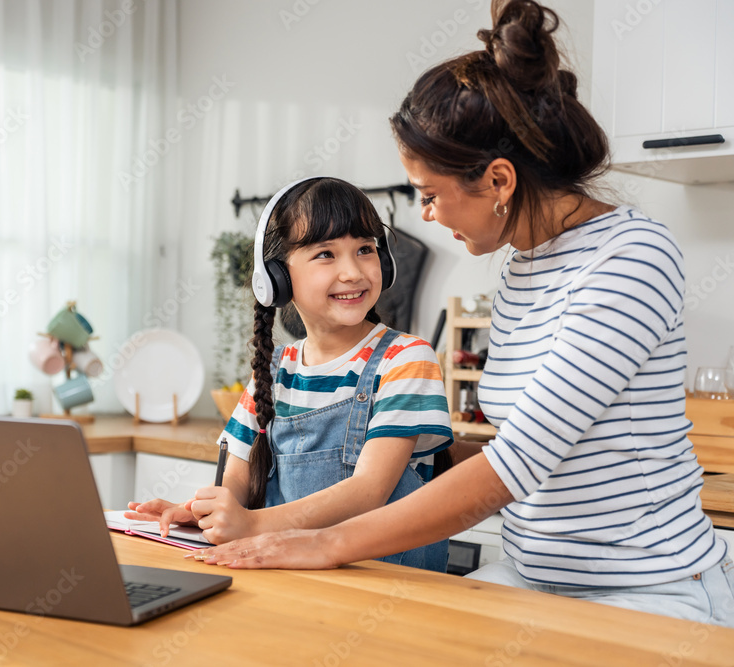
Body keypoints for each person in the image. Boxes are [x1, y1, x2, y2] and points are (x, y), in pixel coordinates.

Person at [190, 0, 734, 627]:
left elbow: (517, 464)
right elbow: (520, 445)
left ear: (499, 181)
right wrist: (415, 445)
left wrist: (316, 541)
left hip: (647, 588)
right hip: (533, 579)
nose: (425, 216)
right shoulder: (523, 265)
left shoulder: (631, 257)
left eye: (428, 195)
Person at [126, 176, 453, 571]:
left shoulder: (406, 358)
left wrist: (250, 523)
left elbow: (369, 490)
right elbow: (237, 480)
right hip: (294, 576)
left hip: (386, 581)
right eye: (326, 255)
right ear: (277, 279)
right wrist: (208, 513)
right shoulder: (274, 370)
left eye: (365, 249)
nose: (352, 272)